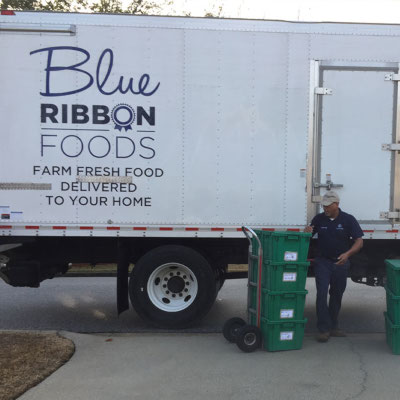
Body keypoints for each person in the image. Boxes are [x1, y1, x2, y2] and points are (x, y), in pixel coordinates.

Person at [304, 191, 363, 343]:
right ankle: (323, 329)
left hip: (340, 262)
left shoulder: (348, 219)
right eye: (323, 206)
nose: (325, 208)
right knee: (322, 294)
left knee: (336, 295)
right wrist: (306, 232)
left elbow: (359, 241)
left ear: (336, 204)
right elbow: (307, 237)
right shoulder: (319, 219)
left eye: (328, 206)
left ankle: (334, 327)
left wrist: (348, 254)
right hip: (322, 262)